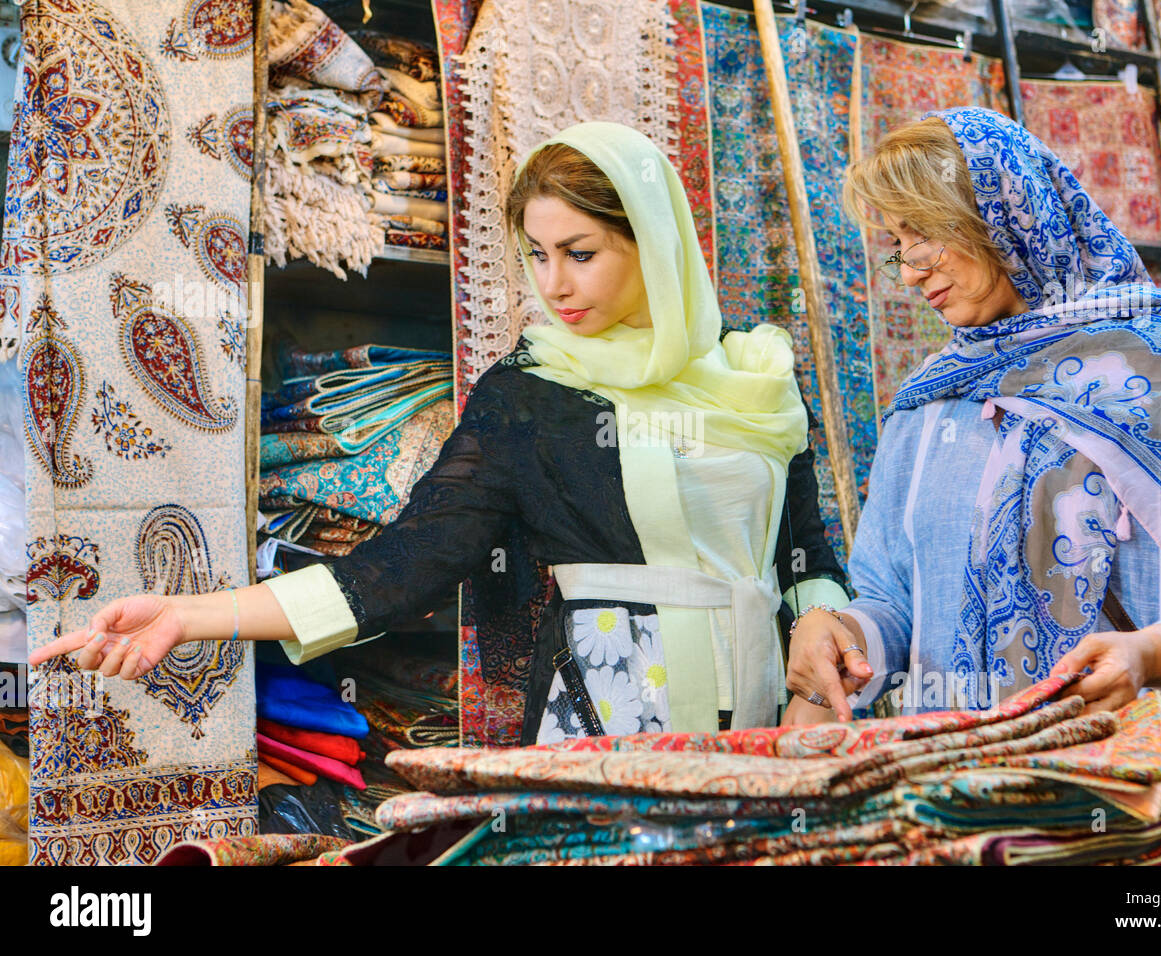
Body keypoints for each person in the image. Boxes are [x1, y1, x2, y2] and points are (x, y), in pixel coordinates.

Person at [31, 121, 849, 743]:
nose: (553, 284)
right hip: (613, 723)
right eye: (535, 254)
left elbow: (805, 548)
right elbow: (405, 564)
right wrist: (192, 616)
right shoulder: (530, 395)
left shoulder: (756, 376)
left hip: (781, 718)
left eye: (580, 252)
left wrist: (819, 631)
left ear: (655, 244)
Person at [784, 107, 1161, 752]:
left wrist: (1151, 655)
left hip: (1148, 791)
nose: (910, 271)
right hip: (964, 792)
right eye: (896, 247)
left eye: (925, 236)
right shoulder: (932, 402)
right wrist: (839, 635)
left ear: (1005, 212)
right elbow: (893, 599)